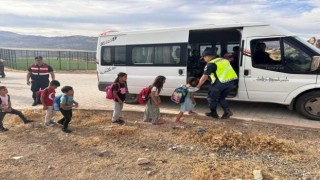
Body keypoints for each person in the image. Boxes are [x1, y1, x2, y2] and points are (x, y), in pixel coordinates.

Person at [197, 48, 238, 119]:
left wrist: (198, 86)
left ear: (207, 56)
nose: (204, 59)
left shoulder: (211, 64)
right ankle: (227, 112)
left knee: (211, 98)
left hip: (220, 83)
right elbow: (220, 71)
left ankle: (214, 113)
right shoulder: (224, 60)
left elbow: (204, 77)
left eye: (204, 57)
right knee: (221, 97)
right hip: (231, 82)